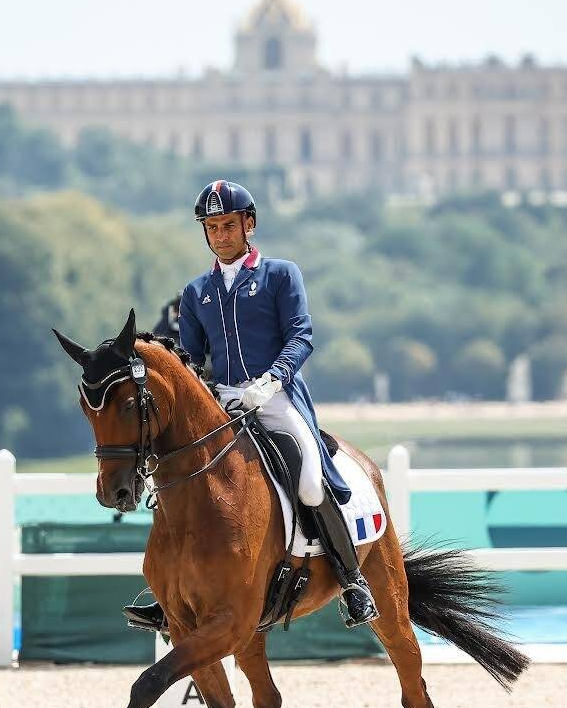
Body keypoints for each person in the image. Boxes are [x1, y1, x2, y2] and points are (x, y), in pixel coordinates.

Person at [126, 180, 379, 631]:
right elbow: (190, 360)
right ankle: (169, 593)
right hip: (220, 403)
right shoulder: (197, 291)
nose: (221, 235)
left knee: (309, 481)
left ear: (249, 224)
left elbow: (301, 335)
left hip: (275, 397)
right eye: (212, 227)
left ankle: (352, 579)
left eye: (228, 225)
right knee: (175, 481)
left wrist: (271, 380)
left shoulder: (281, 275)